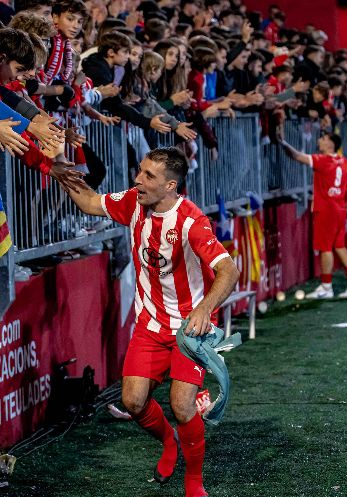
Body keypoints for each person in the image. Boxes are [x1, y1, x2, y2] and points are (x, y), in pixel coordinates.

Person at [58, 147, 240, 497]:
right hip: (150, 326)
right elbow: (90, 203)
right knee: (133, 402)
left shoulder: (191, 221)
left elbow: (228, 270)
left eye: (148, 176)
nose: (137, 180)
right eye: (139, 172)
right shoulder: (133, 202)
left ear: (171, 186)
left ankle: (194, 483)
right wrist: (59, 171)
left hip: (189, 330)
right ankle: (169, 443)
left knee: (183, 405)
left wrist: (203, 310)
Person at [281, 133, 347, 299]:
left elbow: (296, 156)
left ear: (330, 144)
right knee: (339, 246)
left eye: (323, 138)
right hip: (339, 209)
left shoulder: (322, 160)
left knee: (326, 248)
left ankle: (326, 286)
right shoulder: (344, 161)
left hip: (326, 210)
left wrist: (282, 141)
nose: (319, 140)